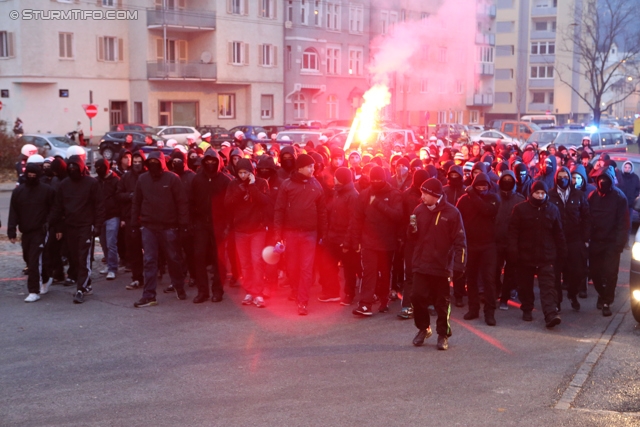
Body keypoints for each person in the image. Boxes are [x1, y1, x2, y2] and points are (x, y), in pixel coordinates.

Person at [409, 178, 466, 350]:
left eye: (425, 193)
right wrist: (411, 230)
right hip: (421, 264)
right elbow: (413, 238)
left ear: (435, 195)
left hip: (441, 266)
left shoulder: (452, 213)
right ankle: (424, 328)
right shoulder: (419, 210)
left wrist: (459, 265)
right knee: (417, 297)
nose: (422, 196)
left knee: (442, 303)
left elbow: (460, 241)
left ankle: (443, 334)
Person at [131, 151, 189, 307]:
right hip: (149, 226)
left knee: (173, 259)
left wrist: (183, 225)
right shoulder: (142, 179)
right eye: (150, 163)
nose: (153, 166)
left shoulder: (172, 179)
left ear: (162, 163)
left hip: (168, 226)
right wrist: (134, 224)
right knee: (149, 261)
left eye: (156, 163)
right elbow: (136, 202)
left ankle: (178, 285)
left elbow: (181, 202)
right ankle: (149, 294)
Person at [273, 154, 327, 315]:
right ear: (300, 168)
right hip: (291, 233)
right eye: (309, 166)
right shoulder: (287, 185)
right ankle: (296, 291)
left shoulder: (317, 186)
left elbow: (322, 213)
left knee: (306, 268)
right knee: (292, 266)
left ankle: (302, 301)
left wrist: (323, 234)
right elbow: (279, 210)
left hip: (310, 233)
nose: (313, 169)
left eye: (313, 166)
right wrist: (278, 234)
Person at [508, 181, 565, 328]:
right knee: (525, 286)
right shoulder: (520, 209)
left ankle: (550, 314)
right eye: (537, 193)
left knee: (548, 287)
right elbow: (513, 232)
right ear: (531, 193)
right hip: (525, 256)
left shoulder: (552, 209)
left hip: (546, 256)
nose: (540, 196)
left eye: (542, 193)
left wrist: (561, 251)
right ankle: (527, 308)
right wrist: (513, 251)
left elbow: (558, 232)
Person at [348, 166, 403, 316]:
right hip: (368, 242)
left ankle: (384, 301)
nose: (376, 182)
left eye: (379, 179)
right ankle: (365, 304)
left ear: (384, 179)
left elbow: (398, 216)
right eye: (374, 180)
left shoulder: (394, 194)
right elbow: (357, 219)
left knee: (385, 273)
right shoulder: (364, 195)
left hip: (387, 242)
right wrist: (355, 240)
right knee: (369, 273)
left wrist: (378, 204)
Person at [50, 154, 105, 304]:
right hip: (70, 226)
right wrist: (52, 224)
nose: (73, 169)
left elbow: (99, 206)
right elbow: (58, 207)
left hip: (86, 226)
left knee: (83, 257)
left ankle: (80, 288)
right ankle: (86, 284)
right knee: (74, 257)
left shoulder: (91, 183)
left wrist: (98, 226)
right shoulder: (64, 185)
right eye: (70, 167)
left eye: (75, 167)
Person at [224, 158, 271, 308]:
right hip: (240, 229)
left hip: (257, 229)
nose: (243, 175)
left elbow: (265, 202)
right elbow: (228, 204)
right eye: (240, 173)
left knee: (257, 261)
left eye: (245, 172)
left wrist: (251, 187)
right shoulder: (233, 184)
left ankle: (258, 293)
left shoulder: (261, 183)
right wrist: (240, 189)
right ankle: (250, 291)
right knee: (245, 263)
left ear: (251, 172)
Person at [8, 161, 56, 302]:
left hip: (40, 230)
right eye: (29, 175)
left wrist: (50, 224)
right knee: (28, 258)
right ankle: (46, 277)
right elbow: (13, 212)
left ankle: (34, 290)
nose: (32, 177)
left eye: (34, 175)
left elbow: (55, 209)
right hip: (26, 231)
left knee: (35, 260)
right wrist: (12, 231)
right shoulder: (19, 192)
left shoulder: (47, 191)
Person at [456, 172, 500, 326]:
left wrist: (473, 195)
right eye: (478, 186)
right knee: (471, 278)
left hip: (489, 245)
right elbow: (457, 218)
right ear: (473, 185)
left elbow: (487, 210)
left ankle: (490, 312)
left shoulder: (493, 198)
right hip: (471, 245)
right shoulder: (463, 200)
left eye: (484, 185)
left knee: (489, 279)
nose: (482, 188)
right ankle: (473, 309)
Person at [190, 148, 232, 303]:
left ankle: (217, 290)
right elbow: (191, 202)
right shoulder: (197, 180)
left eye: (213, 161)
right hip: (201, 223)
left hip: (219, 224)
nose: (210, 163)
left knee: (218, 259)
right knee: (199, 257)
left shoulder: (225, 180)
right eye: (207, 160)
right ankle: (202, 291)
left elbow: (230, 206)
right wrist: (192, 223)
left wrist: (227, 225)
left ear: (218, 162)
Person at [588, 166, 630, 316]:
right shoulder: (593, 196)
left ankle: (607, 301)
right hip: (596, 242)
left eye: (606, 180)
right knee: (595, 272)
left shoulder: (619, 198)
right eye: (601, 180)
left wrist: (620, 243)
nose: (603, 183)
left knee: (611, 273)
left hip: (612, 243)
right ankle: (602, 293)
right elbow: (588, 219)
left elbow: (623, 223)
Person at [548, 167, 590, 312]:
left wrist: (585, 238)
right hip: (556, 240)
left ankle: (572, 294)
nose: (563, 179)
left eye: (566, 176)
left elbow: (586, 216)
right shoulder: (550, 195)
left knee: (578, 272)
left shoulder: (578, 195)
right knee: (555, 274)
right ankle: (557, 301)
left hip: (574, 239)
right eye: (560, 176)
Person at [320, 167, 360, 305]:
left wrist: (347, 241)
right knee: (329, 265)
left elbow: (353, 221)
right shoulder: (337, 192)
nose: (334, 178)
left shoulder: (353, 195)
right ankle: (332, 292)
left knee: (349, 268)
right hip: (333, 236)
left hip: (345, 238)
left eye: (337, 176)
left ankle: (349, 294)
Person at [398, 169, 430, 319]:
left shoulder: (431, 196)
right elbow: (402, 218)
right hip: (411, 239)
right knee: (410, 273)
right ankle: (407, 305)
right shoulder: (406, 195)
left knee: (427, 272)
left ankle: (426, 302)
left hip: (428, 240)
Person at [494, 170, 524, 311]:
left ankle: (505, 298)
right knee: (494, 269)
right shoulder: (494, 197)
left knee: (510, 271)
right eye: (504, 179)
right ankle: (496, 292)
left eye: (509, 179)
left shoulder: (519, 199)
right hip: (495, 239)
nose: (507, 182)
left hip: (512, 241)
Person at [117, 152, 146, 291]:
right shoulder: (126, 177)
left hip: (147, 217)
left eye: (139, 162)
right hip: (131, 218)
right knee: (134, 250)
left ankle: (155, 273)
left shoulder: (147, 176)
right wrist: (131, 196)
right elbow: (118, 195)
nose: (137, 165)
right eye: (134, 162)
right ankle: (137, 277)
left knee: (152, 250)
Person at [94, 159, 120, 280]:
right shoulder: (97, 181)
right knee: (104, 243)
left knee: (111, 243)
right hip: (101, 216)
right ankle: (109, 265)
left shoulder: (115, 180)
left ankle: (112, 268)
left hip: (112, 215)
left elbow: (119, 198)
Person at [617, 161, 640, 227]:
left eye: (629, 167)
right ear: (623, 167)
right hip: (620, 203)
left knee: (628, 222)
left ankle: (627, 235)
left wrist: (634, 197)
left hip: (630, 203)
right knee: (619, 221)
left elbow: (637, 188)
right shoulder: (619, 176)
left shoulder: (635, 177)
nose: (627, 169)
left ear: (631, 168)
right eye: (626, 167)